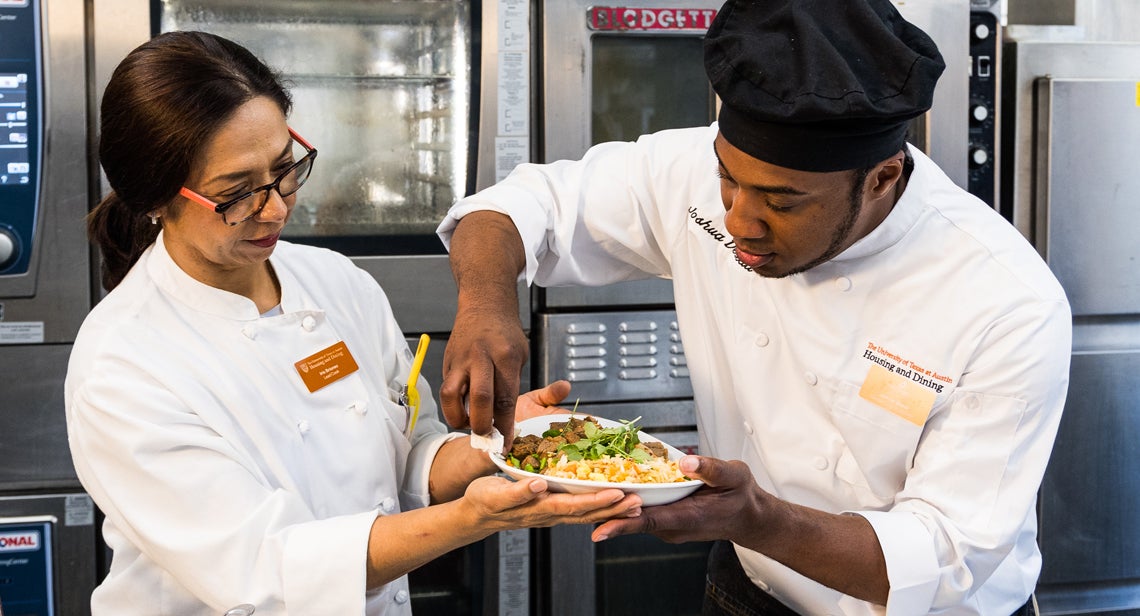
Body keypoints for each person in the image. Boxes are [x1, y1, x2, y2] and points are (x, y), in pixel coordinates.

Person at [435, 0, 1072, 614]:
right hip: (751, 589)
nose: (739, 220)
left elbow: (950, 555)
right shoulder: (695, 173)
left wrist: (756, 517)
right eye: (727, 179)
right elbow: (525, 204)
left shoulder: (1006, 301)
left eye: (783, 203)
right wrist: (486, 305)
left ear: (881, 178)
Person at [65, 31, 642, 616]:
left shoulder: (337, 283)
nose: (277, 207)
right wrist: (471, 519)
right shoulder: (123, 365)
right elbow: (268, 569)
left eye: (285, 168)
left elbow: (404, 462)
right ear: (156, 200)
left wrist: (490, 447)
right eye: (237, 194)